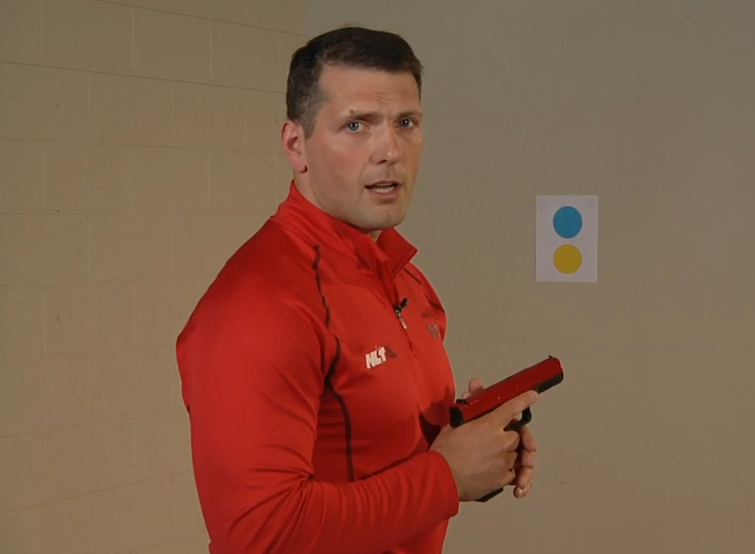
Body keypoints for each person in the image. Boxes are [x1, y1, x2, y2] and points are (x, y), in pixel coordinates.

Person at [175, 25, 540, 554]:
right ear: (295, 144)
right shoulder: (259, 306)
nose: (389, 150)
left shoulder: (402, 276)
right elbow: (261, 536)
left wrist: (474, 448)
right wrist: (446, 476)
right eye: (356, 125)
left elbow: (379, 460)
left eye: (406, 123)